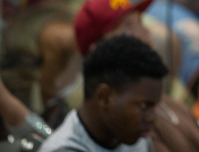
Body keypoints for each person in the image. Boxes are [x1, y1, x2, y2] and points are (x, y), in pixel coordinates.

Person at [73, 0, 199, 152]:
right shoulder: (98, 112)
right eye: (128, 27)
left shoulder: (168, 100)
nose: (144, 34)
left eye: (140, 22)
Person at [39, 35, 168, 152]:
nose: (152, 118)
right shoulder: (64, 149)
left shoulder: (133, 138)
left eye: (155, 106)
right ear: (104, 97)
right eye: (144, 106)